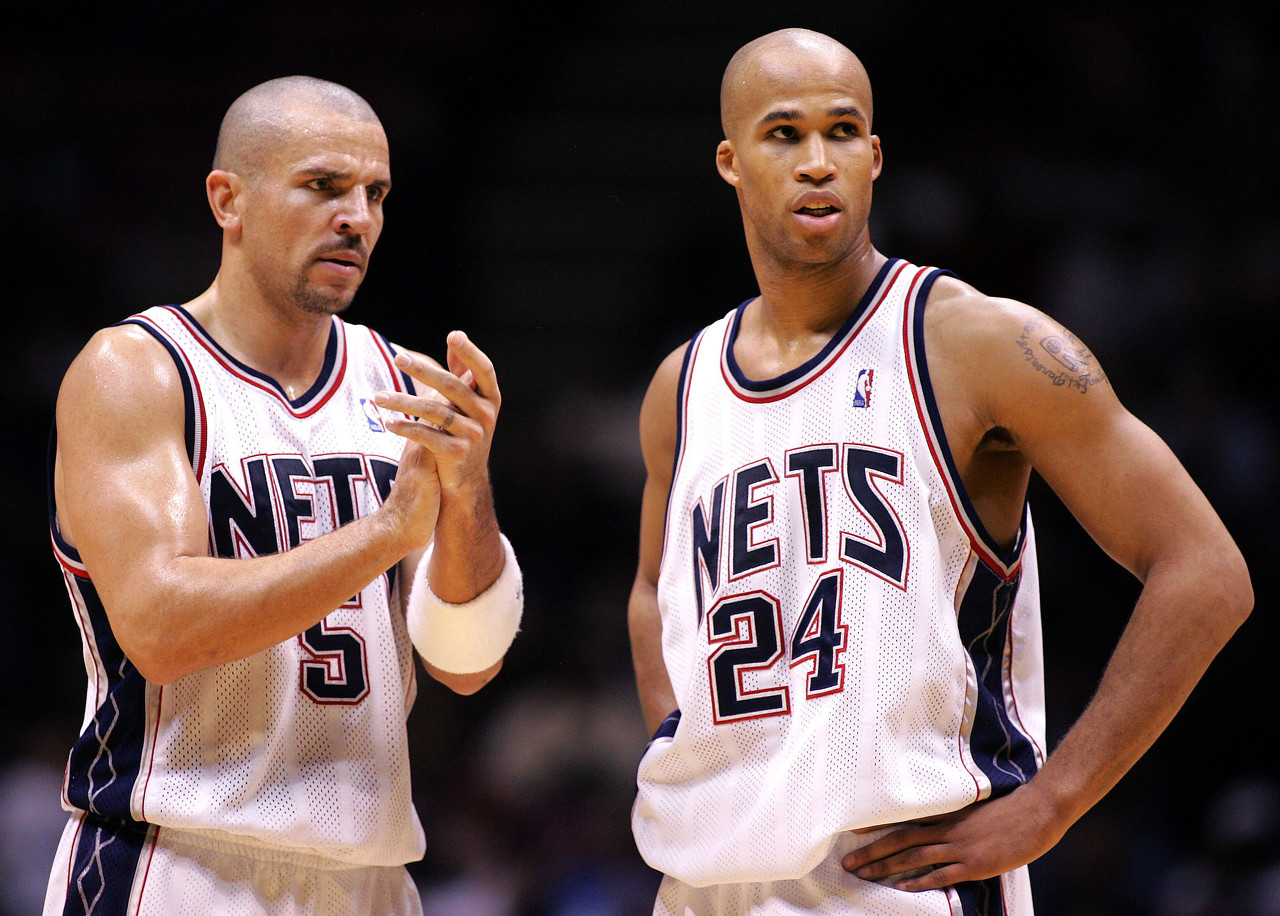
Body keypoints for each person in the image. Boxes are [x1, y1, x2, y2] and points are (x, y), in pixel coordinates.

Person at [627, 27, 1252, 916]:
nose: (818, 162)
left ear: (875, 157)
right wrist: (678, 746)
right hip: (704, 889)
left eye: (842, 132)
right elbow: (653, 592)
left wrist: (1052, 804)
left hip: (904, 882)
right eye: (784, 134)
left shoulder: (978, 343)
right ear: (731, 162)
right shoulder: (681, 387)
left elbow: (1206, 573)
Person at [43, 76, 524, 916]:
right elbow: (159, 627)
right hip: (177, 862)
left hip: (369, 877)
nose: (357, 218)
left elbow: (467, 662)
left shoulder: (402, 383)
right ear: (228, 200)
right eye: (324, 186)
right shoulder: (137, 372)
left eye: (375, 193)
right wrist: (385, 533)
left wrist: (470, 488)